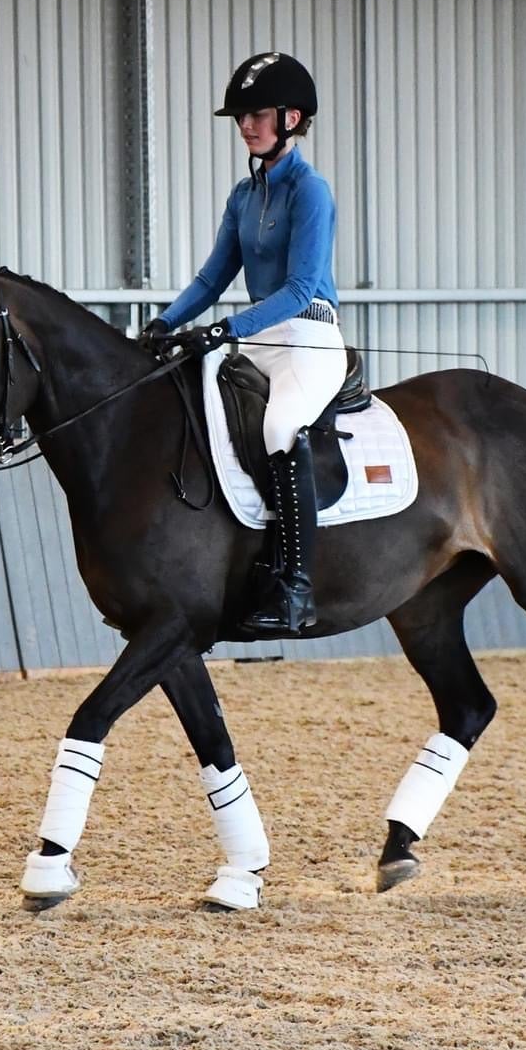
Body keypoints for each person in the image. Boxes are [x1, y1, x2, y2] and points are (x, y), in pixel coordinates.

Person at [138, 52, 345, 636]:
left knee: (279, 428)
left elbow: (302, 285)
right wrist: (165, 322)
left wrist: (227, 330)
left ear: (291, 117)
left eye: (256, 114)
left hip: (308, 337)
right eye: (241, 117)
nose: (246, 126)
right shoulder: (243, 195)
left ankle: (296, 586)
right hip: (256, 341)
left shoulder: (311, 192)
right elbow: (212, 279)